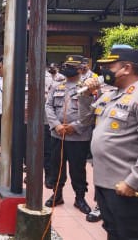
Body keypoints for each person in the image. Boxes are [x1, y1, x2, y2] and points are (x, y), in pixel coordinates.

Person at [79, 48, 138, 239]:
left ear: (127, 68)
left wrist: (133, 182)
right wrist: (86, 95)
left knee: (127, 233)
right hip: (104, 182)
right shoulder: (109, 95)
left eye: (109, 66)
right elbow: (85, 120)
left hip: (124, 185)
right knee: (112, 230)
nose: (103, 71)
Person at [45, 55, 92, 214]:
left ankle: (80, 198)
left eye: (71, 66)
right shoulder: (57, 86)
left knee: (77, 169)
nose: (66, 68)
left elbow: (91, 112)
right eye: (65, 65)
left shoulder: (87, 87)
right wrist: (57, 125)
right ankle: (57, 195)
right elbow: (48, 107)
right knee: (56, 166)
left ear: (80, 68)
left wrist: (74, 126)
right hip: (58, 135)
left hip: (78, 137)